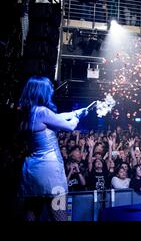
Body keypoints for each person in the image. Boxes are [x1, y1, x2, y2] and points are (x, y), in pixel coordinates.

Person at [18, 76, 89, 221]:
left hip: (32, 170)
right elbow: (70, 126)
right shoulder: (43, 111)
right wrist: (78, 117)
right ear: (42, 91)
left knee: (32, 212)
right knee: (60, 215)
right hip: (51, 172)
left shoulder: (26, 112)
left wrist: (76, 112)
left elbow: (56, 117)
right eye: (49, 90)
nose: (51, 92)